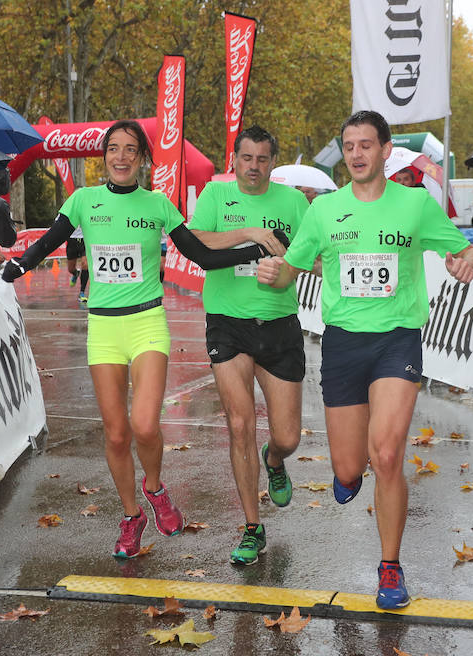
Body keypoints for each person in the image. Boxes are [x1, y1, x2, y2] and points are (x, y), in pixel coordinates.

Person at [1, 120, 281, 559]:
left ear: (142, 159)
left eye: (131, 150)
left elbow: (202, 255)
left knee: (146, 424)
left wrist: (256, 248)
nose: (121, 157)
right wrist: (19, 265)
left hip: (147, 321)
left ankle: (154, 488)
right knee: (115, 435)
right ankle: (132, 516)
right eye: (114, 149)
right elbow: (49, 242)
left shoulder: (158, 206)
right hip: (104, 328)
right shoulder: (83, 201)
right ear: (105, 156)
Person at [257, 110, 473, 609]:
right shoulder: (324, 210)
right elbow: (292, 268)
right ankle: (347, 475)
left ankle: (390, 567)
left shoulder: (415, 204)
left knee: (387, 454)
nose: (357, 154)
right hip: (342, 344)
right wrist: (273, 272)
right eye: (349, 146)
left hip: (396, 340)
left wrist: (468, 260)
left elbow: (466, 251)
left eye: (365, 145)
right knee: (350, 465)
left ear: (384, 151)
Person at [188, 126, 310, 566]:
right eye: (246, 158)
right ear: (233, 160)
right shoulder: (215, 197)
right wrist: (250, 233)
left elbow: (314, 258)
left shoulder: (294, 202)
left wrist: (287, 267)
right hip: (228, 324)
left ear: (272, 162)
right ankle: (252, 529)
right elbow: (195, 241)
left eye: (262, 159)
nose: (253, 167)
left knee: (288, 437)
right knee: (239, 424)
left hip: (278, 325)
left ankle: (274, 461)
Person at [65, 236, 89, 304]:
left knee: (85, 264)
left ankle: (82, 293)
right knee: (71, 269)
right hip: (72, 241)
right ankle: (75, 274)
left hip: (84, 240)